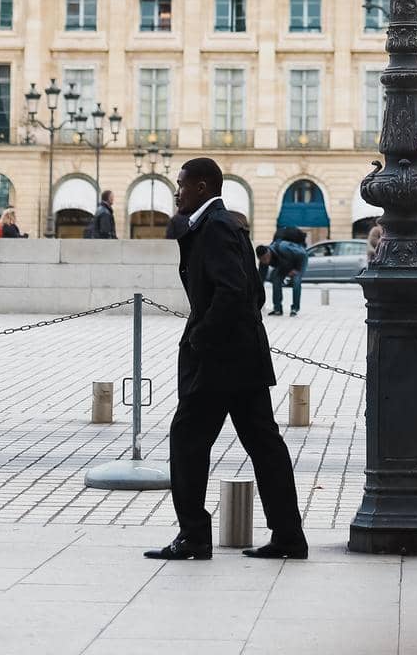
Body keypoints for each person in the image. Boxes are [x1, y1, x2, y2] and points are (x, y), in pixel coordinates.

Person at [144, 157, 307, 563]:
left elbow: (233, 292)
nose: (176, 191)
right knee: (263, 443)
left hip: (220, 360)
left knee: (187, 441)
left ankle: (194, 537)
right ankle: (288, 536)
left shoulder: (214, 227)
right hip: (243, 355)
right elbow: (255, 294)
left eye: (181, 184)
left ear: (201, 187)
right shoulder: (226, 224)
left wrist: (201, 339)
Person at [269, 230, 307, 316]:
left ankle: (295, 309)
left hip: (300, 260)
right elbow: (262, 272)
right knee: (276, 279)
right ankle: (277, 309)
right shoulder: (271, 250)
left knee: (296, 282)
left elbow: (302, 254)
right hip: (287, 262)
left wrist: (296, 269)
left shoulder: (283, 246)